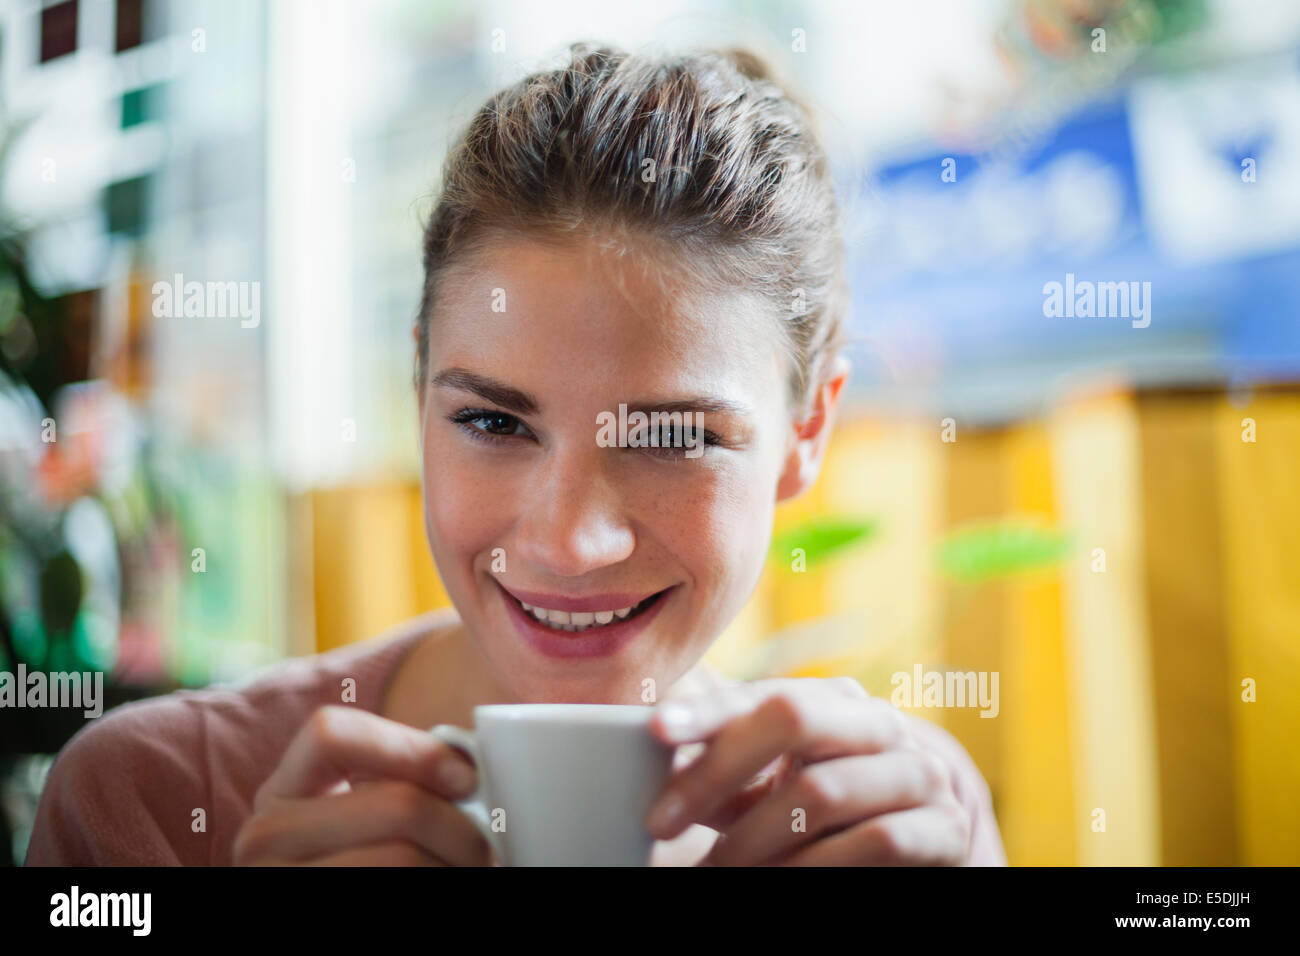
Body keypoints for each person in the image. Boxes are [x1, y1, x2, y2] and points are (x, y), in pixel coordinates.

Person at [26, 44, 1006, 867]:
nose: (569, 543)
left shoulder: (897, 820)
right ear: (417, 393)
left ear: (807, 434)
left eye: (672, 438)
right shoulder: (151, 798)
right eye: (494, 423)